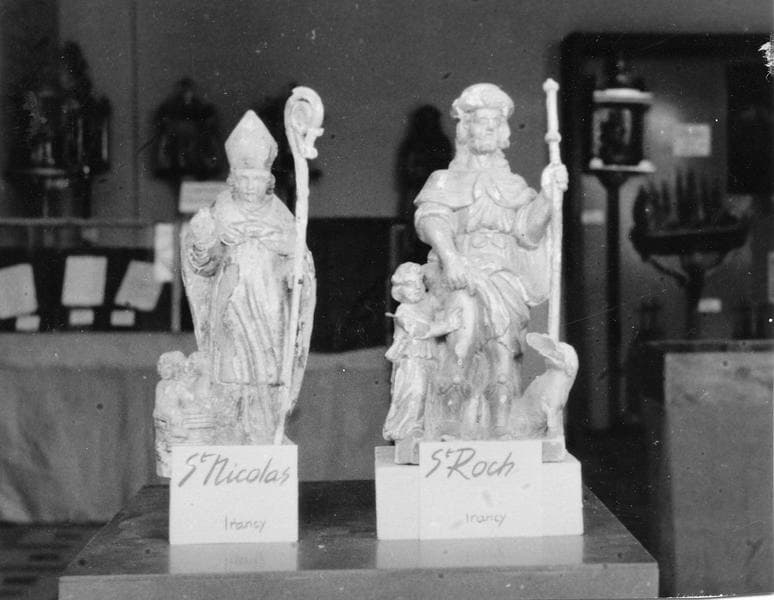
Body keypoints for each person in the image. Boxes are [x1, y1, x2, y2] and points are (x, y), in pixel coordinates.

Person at [413, 83, 567, 436]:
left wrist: (548, 196)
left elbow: (528, 232)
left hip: (503, 275)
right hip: (462, 273)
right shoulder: (444, 180)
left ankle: (502, 430)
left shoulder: (514, 185)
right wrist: (451, 258)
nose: (489, 129)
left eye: (496, 123)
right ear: (466, 129)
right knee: (461, 340)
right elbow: (431, 218)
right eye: (482, 122)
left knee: (504, 351)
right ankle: (450, 428)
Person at [182, 110, 315, 444]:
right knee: (231, 366)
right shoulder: (220, 211)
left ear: (268, 181)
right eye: (244, 179)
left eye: (257, 179)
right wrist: (203, 241)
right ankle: (232, 431)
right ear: (233, 179)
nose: (250, 186)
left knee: (269, 367)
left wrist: (295, 270)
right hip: (232, 298)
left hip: (270, 302)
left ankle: (265, 430)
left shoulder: (279, 214)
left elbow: (297, 256)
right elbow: (205, 266)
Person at [383, 262, 460, 462]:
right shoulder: (403, 312)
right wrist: (448, 325)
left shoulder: (427, 302)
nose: (417, 287)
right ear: (400, 290)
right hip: (412, 360)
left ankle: (424, 433)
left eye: (419, 282)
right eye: (410, 284)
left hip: (430, 358)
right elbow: (421, 330)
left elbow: (443, 301)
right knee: (414, 394)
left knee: (430, 395)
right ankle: (408, 434)